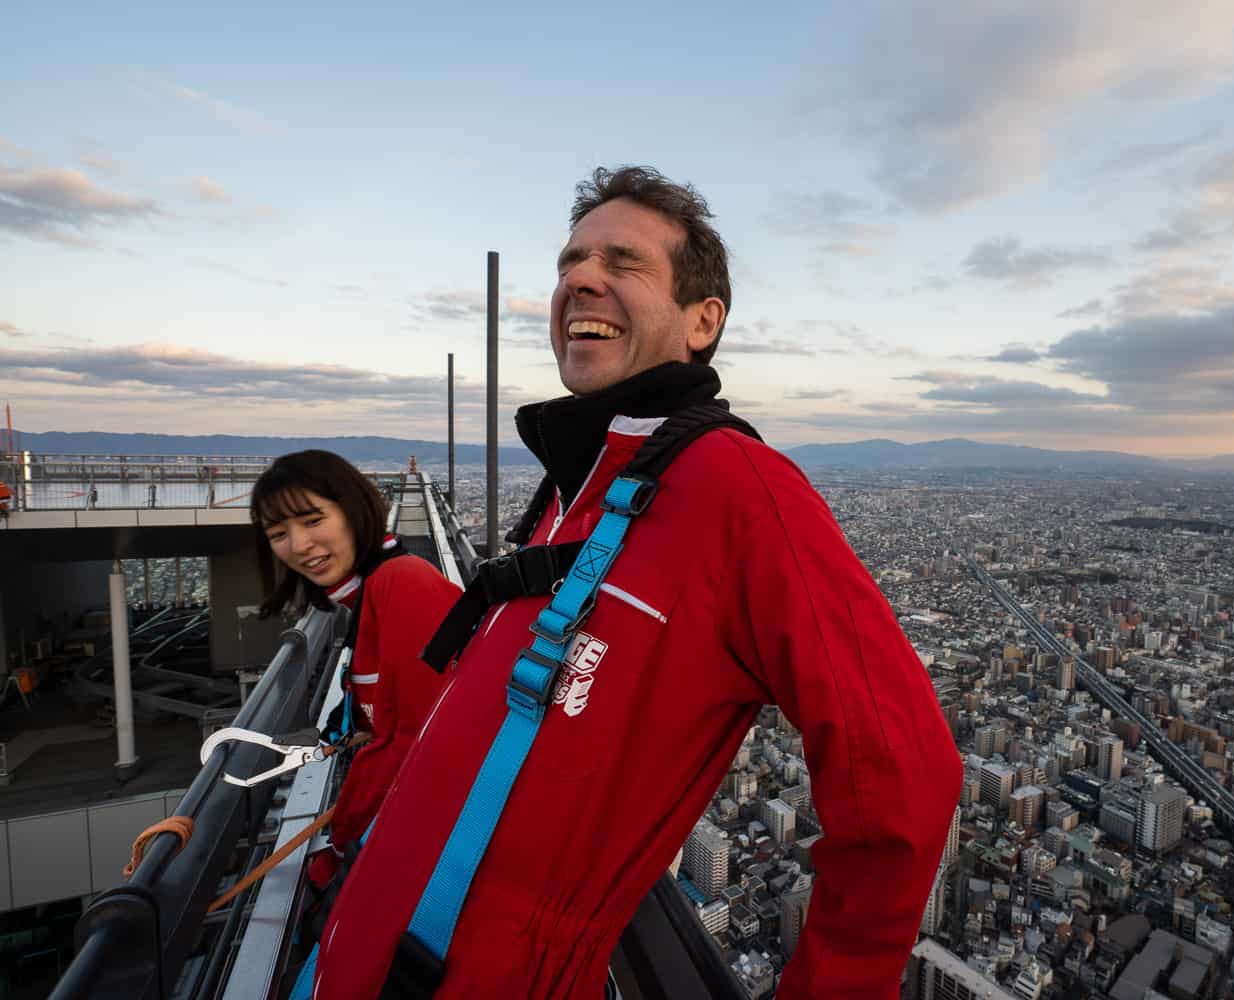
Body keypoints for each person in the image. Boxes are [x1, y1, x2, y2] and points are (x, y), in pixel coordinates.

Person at [306, 167, 961, 998]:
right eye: (571, 261)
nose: (580, 278)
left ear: (701, 321)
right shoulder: (574, 487)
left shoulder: (736, 489)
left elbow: (903, 775)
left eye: (624, 262)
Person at [250, 450, 460, 886]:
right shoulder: (369, 595)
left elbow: (425, 746)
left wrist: (344, 847)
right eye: (278, 532)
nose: (300, 545)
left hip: (435, 862)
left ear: (353, 510)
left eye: (312, 520)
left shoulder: (404, 585)